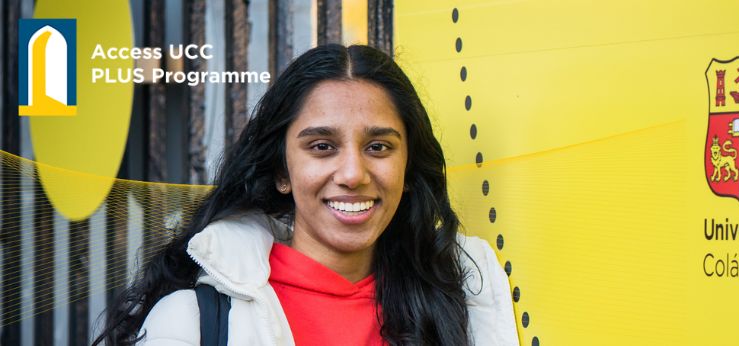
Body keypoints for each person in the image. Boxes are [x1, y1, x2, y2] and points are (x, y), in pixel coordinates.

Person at [92, 44, 518, 345]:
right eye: (321, 147)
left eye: (379, 147)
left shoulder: (467, 305)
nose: (353, 174)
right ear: (282, 171)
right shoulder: (194, 322)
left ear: (407, 169)